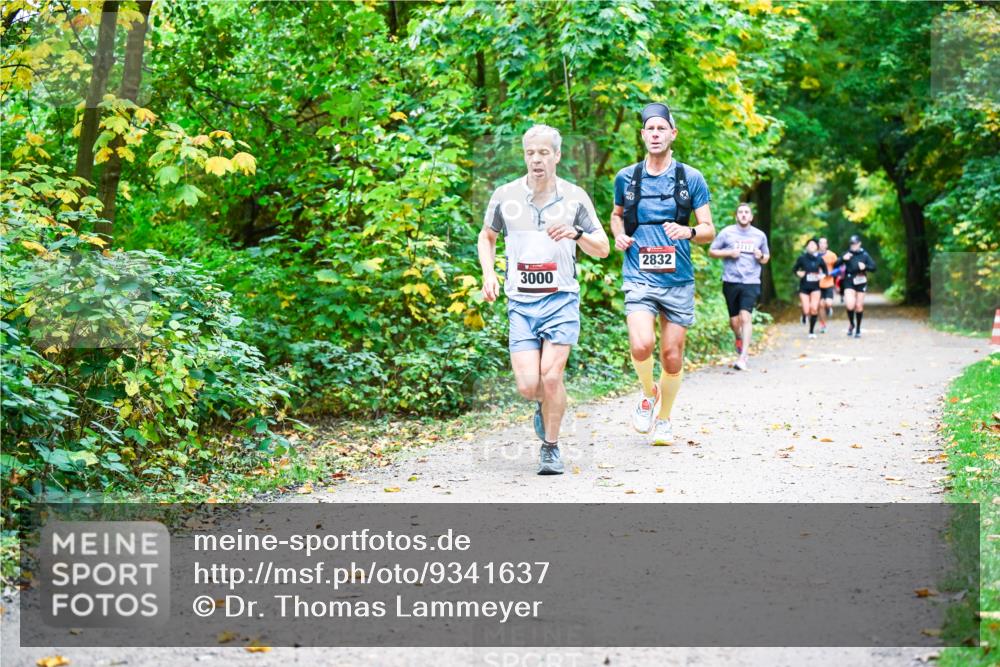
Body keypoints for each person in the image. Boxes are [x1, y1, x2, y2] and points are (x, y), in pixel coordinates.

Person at [479, 125, 609, 475]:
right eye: (530, 153)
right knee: (528, 386)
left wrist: (577, 232)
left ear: (557, 155)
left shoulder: (575, 197)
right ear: (524, 155)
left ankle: (550, 448)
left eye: (543, 153)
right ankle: (544, 405)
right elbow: (486, 237)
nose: (536, 159)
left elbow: (603, 248)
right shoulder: (505, 195)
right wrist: (489, 273)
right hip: (521, 302)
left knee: (551, 378)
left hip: (561, 299)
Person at [610, 102, 715, 445]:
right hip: (639, 274)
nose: (655, 135)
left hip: (678, 279)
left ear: (673, 134)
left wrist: (688, 232)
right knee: (642, 345)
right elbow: (616, 214)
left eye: (661, 129)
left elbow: (709, 230)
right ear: (642, 135)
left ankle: (665, 419)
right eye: (649, 129)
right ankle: (647, 393)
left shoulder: (691, 178)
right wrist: (619, 234)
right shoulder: (626, 177)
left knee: (672, 356)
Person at [708, 202, 770, 370]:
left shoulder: (759, 236)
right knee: (735, 322)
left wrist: (760, 255)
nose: (743, 215)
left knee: (745, 317)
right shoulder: (727, 233)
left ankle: (743, 356)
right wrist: (728, 252)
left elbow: (766, 258)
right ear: (736, 216)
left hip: (751, 281)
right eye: (740, 212)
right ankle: (738, 337)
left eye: (746, 212)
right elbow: (712, 251)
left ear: (751, 217)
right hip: (731, 280)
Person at [835, 234, 876, 338]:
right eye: (852, 244)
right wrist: (843, 259)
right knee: (849, 305)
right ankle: (851, 324)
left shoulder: (865, 255)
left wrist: (865, 266)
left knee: (858, 306)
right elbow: (835, 265)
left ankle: (858, 328)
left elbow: (874, 268)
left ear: (859, 244)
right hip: (849, 281)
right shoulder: (847, 254)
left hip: (861, 281)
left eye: (855, 244)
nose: (853, 246)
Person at [792, 238, 828, 339]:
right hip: (804, 288)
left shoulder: (819, 259)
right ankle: (804, 314)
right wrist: (798, 273)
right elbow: (794, 269)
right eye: (809, 245)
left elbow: (825, 271)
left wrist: (822, 275)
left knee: (814, 309)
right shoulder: (802, 258)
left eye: (813, 245)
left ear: (817, 247)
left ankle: (811, 331)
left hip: (815, 288)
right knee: (807, 310)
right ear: (807, 246)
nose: (811, 246)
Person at [816, 237, 838, 333]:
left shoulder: (832, 255)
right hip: (817, 284)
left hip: (829, 283)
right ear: (818, 244)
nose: (822, 245)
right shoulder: (814, 255)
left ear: (827, 245)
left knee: (828, 303)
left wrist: (832, 274)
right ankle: (823, 324)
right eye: (820, 243)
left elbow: (838, 267)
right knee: (820, 305)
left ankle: (828, 309)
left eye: (824, 243)